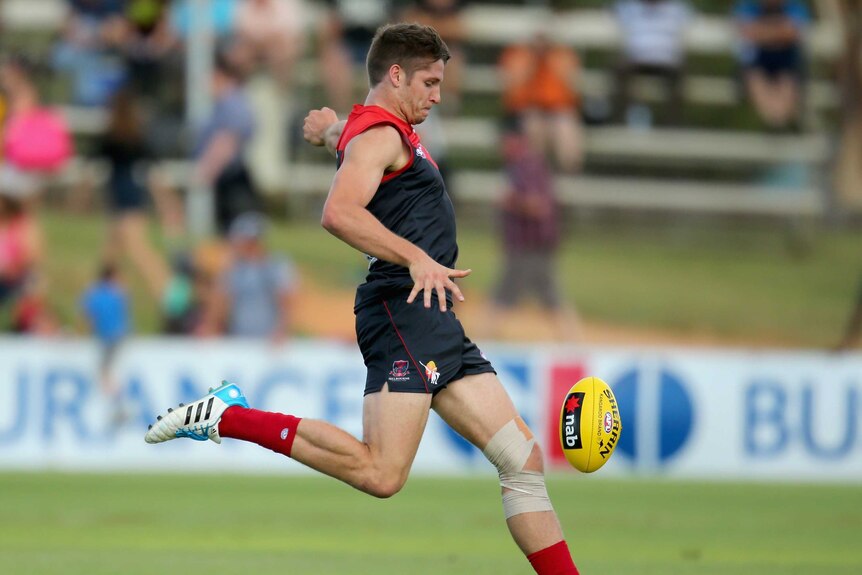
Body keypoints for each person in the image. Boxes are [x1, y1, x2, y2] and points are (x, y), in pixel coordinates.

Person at [145, 24, 580, 574]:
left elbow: (357, 153)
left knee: (522, 461)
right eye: (429, 81)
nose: (437, 94)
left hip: (432, 315)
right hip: (403, 308)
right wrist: (415, 256)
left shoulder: (376, 130)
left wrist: (331, 131)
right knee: (381, 474)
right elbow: (339, 211)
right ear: (395, 75)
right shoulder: (382, 135)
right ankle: (227, 416)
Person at [484, 119, 581, 342]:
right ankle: (572, 338)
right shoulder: (518, 166)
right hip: (527, 244)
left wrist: (511, 201)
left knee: (509, 293)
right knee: (542, 294)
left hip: (531, 245)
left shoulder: (529, 165)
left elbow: (539, 206)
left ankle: (485, 338)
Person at [193, 47, 261, 236]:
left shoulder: (231, 103)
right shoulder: (225, 103)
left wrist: (206, 171)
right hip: (228, 179)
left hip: (233, 181)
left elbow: (227, 141)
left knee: (238, 234)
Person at [200, 211, 298, 342]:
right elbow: (220, 302)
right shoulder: (233, 268)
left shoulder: (275, 265)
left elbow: (287, 302)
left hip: (268, 343)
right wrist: (211, 328)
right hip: (239, 341)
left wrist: (281, 330)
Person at [499, 26, 584, 173]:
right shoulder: (519, 54)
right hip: (527, 111)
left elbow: (571, 92)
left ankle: (569, 175)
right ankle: (538, 180)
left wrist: (550, 59)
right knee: (534, 126)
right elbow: (513, 93)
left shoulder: (562, 55)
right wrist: (533, 60)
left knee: (566, 130)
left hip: (557, 110)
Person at [612, 0, 692, 127]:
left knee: (680, 74)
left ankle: (671, 125)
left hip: (666, 62)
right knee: (619, 69)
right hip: (636, 60)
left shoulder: (677, 8)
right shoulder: (630, 7)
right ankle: (619, 121)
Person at [734, 0, 810, 130]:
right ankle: (779, 130)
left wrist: (762, 33)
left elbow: (791, 33)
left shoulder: (795, 6)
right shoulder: (747, 5)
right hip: (756, 66)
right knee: (773, 109)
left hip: (787, 66)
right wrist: (779, 33)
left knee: (781, 109)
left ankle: (779, 130)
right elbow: (746, 31)